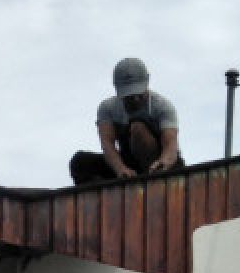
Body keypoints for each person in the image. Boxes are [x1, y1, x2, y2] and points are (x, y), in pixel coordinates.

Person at [69, 57, 183, 185]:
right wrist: (120, 169)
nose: (135, 99)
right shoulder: (107, 108)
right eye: (129, 96)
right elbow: (107, 144)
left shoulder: (162, 106)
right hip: (129, 165)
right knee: (80, 162)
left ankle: (153, 179)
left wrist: (164, 163)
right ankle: (106, 196)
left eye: (139, 94)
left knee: (138, 127)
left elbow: (171, 145)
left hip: (160, 162)